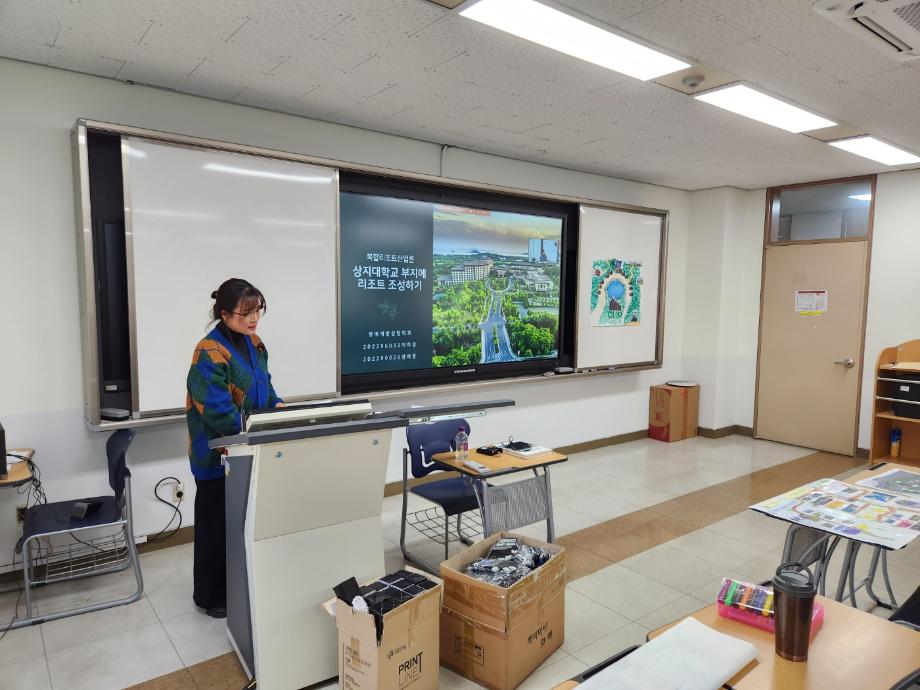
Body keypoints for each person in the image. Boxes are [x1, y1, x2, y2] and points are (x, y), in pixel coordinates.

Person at [186, 278, 283, 618]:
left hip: (250, 447)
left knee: (241, 522)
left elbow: (265, 389)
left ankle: (236, 584)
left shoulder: (255, 344)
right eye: (245, 313)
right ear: (224, 314)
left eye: (257, 310)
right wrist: (251, 430)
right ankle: (209, 596)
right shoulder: (208, 351)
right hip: (217, 453)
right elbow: (215, 409)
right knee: (215, 525)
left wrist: (279, 408)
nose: (253, 319)